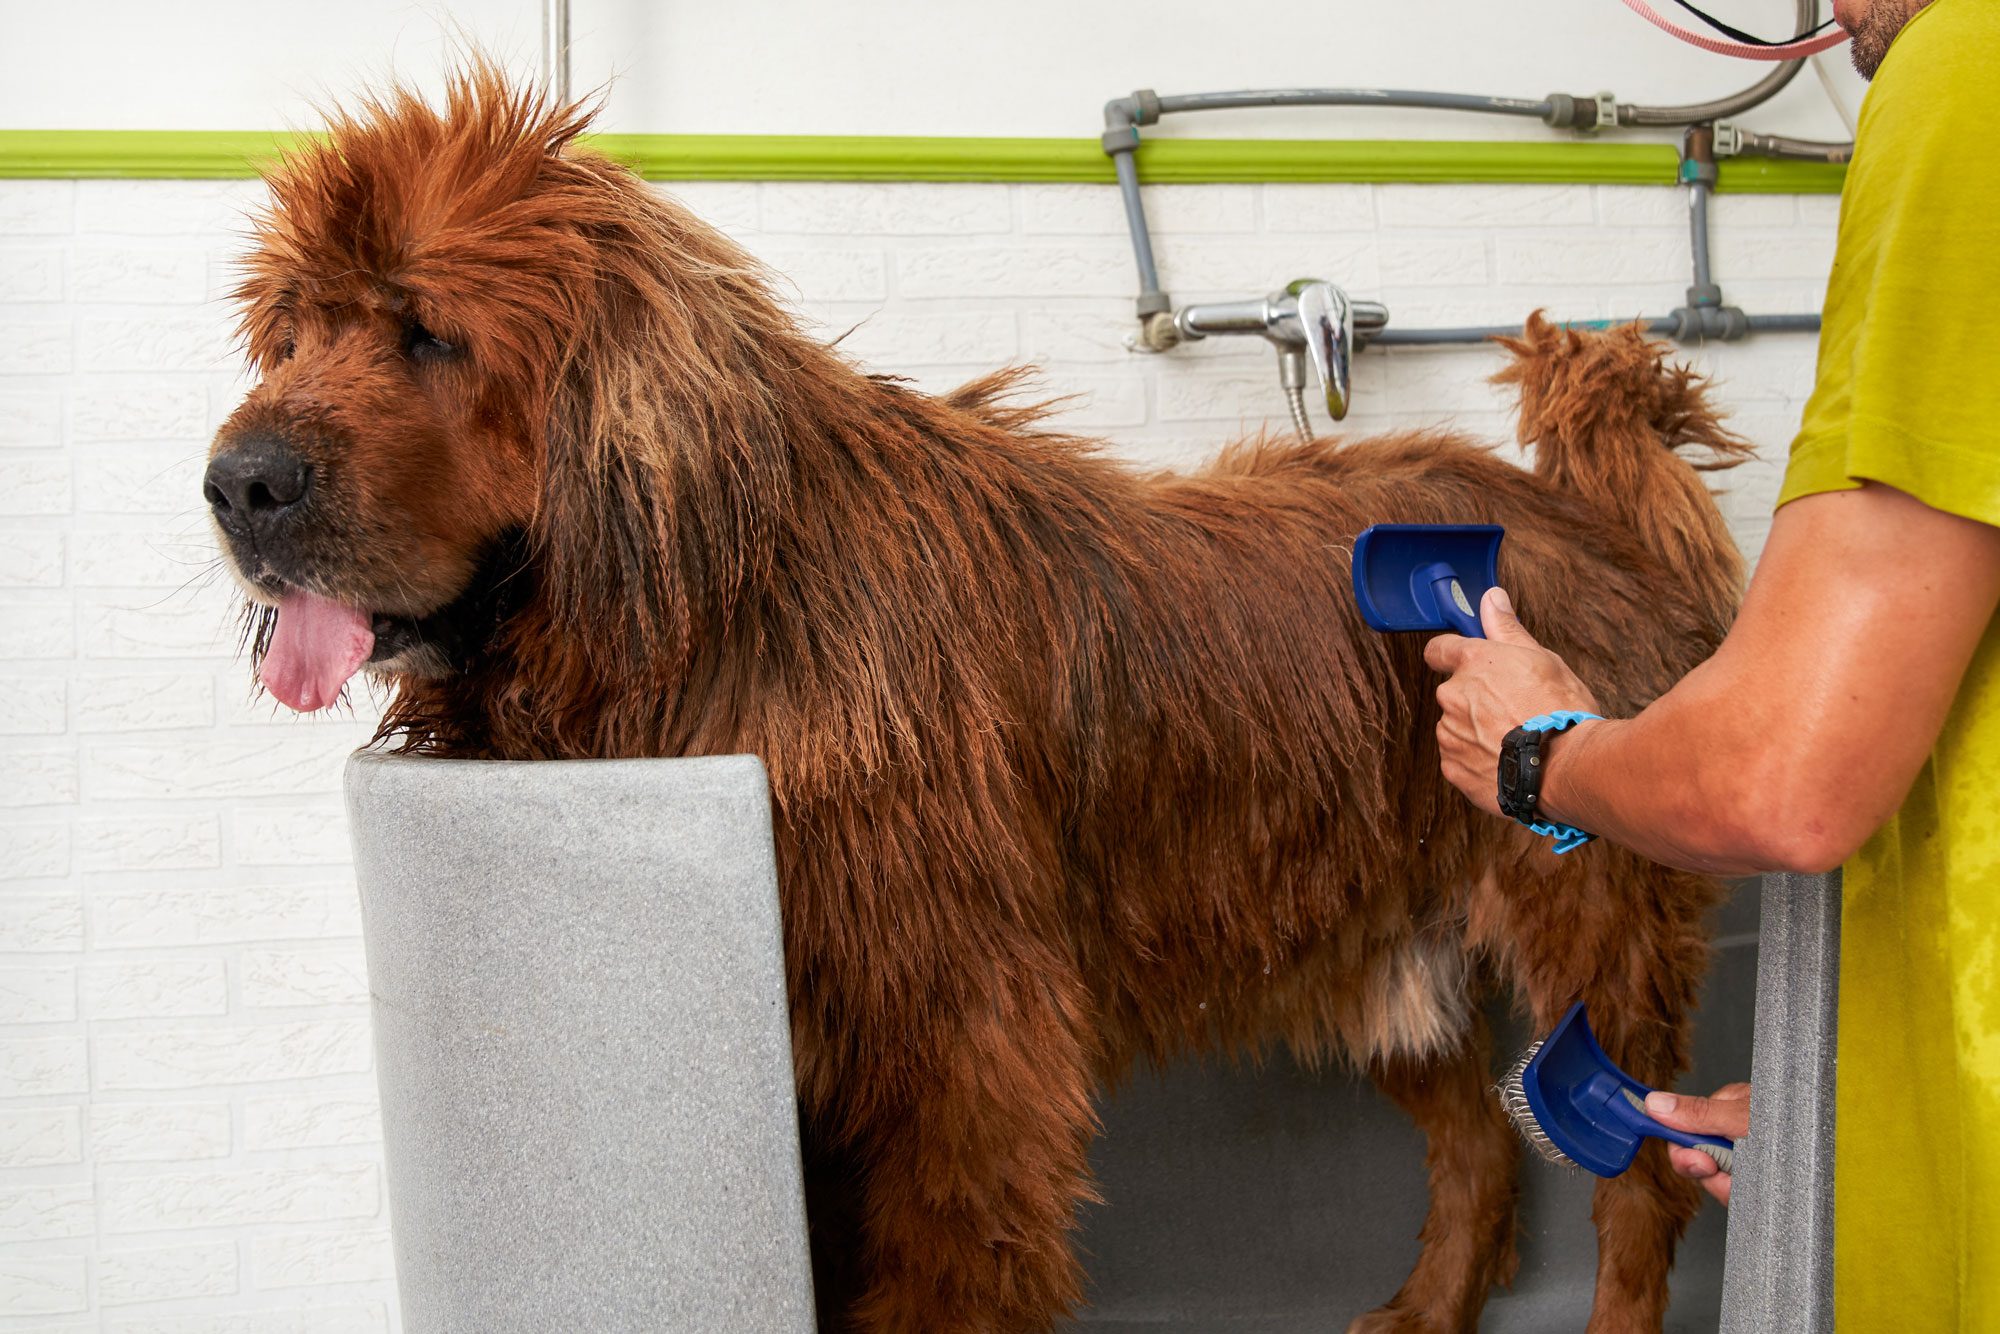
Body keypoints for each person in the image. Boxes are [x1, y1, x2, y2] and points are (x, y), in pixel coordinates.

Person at [1423, 0, 2000, 1327]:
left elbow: (1784, 783)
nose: (1827, 15)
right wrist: (1857, 1118)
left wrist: (1542, 748)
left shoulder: (1969, 64)